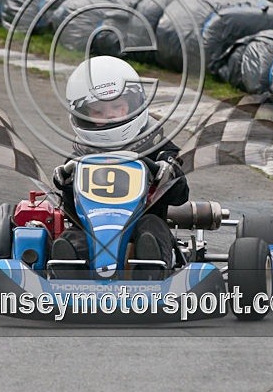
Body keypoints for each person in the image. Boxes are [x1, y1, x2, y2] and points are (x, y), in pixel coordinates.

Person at [50, 56, 189, 277]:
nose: (111, 115)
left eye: (118, 106)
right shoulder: (82, 154)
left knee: (152, 228)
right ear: (83, 115)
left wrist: (166, 173)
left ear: (133, 104)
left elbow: (181, 195)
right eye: (98, 112)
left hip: (141, 225)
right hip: (93, 228)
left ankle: (150, 272)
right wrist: (64, 180)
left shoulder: (158, 146)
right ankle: (68, 274)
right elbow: (71, 204)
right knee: (73, 237)